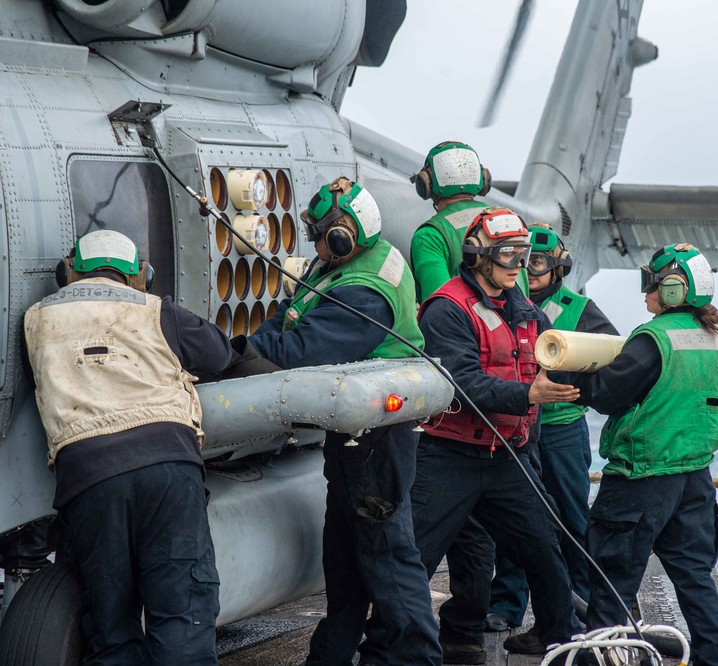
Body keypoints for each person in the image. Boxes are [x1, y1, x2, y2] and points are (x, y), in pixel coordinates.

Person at [246, 177, 442, 666]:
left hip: (376, 442)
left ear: (342, 235)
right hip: (355, 438)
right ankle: (330, 655)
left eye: (318, 233)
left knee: (385, 555)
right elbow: (293, 317)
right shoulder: (347, 263)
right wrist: (253, 344)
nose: (312, 243)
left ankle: (417, 658)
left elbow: (302, 351)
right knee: (345, 554)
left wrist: (232, 355)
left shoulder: (364, 290)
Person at [23, 229, 233, 664]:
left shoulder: (36, 319)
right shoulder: (157, 309)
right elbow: (218, 355)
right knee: (182, 616)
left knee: (110, 627)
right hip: (167, 468)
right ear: (141, 275)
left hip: (88, 478)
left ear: (69, 271)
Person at [385, 207, 581, 662]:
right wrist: (529, 393)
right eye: (508, 254)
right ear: (477, 257)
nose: (519, 265)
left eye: (524, 254)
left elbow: (549, 359)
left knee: (544, 551)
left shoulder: (526, 310)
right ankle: (388, 647)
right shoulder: (447, 310)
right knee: (414, 557)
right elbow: (463, 382)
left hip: (505, 457)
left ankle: (559, 637)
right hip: (449, 456)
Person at [570, 243, 718, 666]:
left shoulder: (653, 340)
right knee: (695, 578)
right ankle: (716, 660)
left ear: (675, 291)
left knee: (612, 584)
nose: (645, 292)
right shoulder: (717, 342)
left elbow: (609, 394)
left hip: (640, 480)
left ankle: (598, 660)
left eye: (652, 283)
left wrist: (570, 369)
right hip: (695, 479)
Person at [485, 223, 618, 632]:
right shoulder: (504, 304)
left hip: (559, 430)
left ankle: (583, 603)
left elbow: (612, 355)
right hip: (518, 427)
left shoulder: (579, 308)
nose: (527, 269)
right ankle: (506, 605)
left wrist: (572, 384)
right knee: (514, 520)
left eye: (537, 262)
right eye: (521, 260)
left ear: (557, 267)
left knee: (572, 519)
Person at [410, 140, 527, 300]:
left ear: (426, 184)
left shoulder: (430, 236)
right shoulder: (508, 223)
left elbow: (438, 307)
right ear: (483, 179)